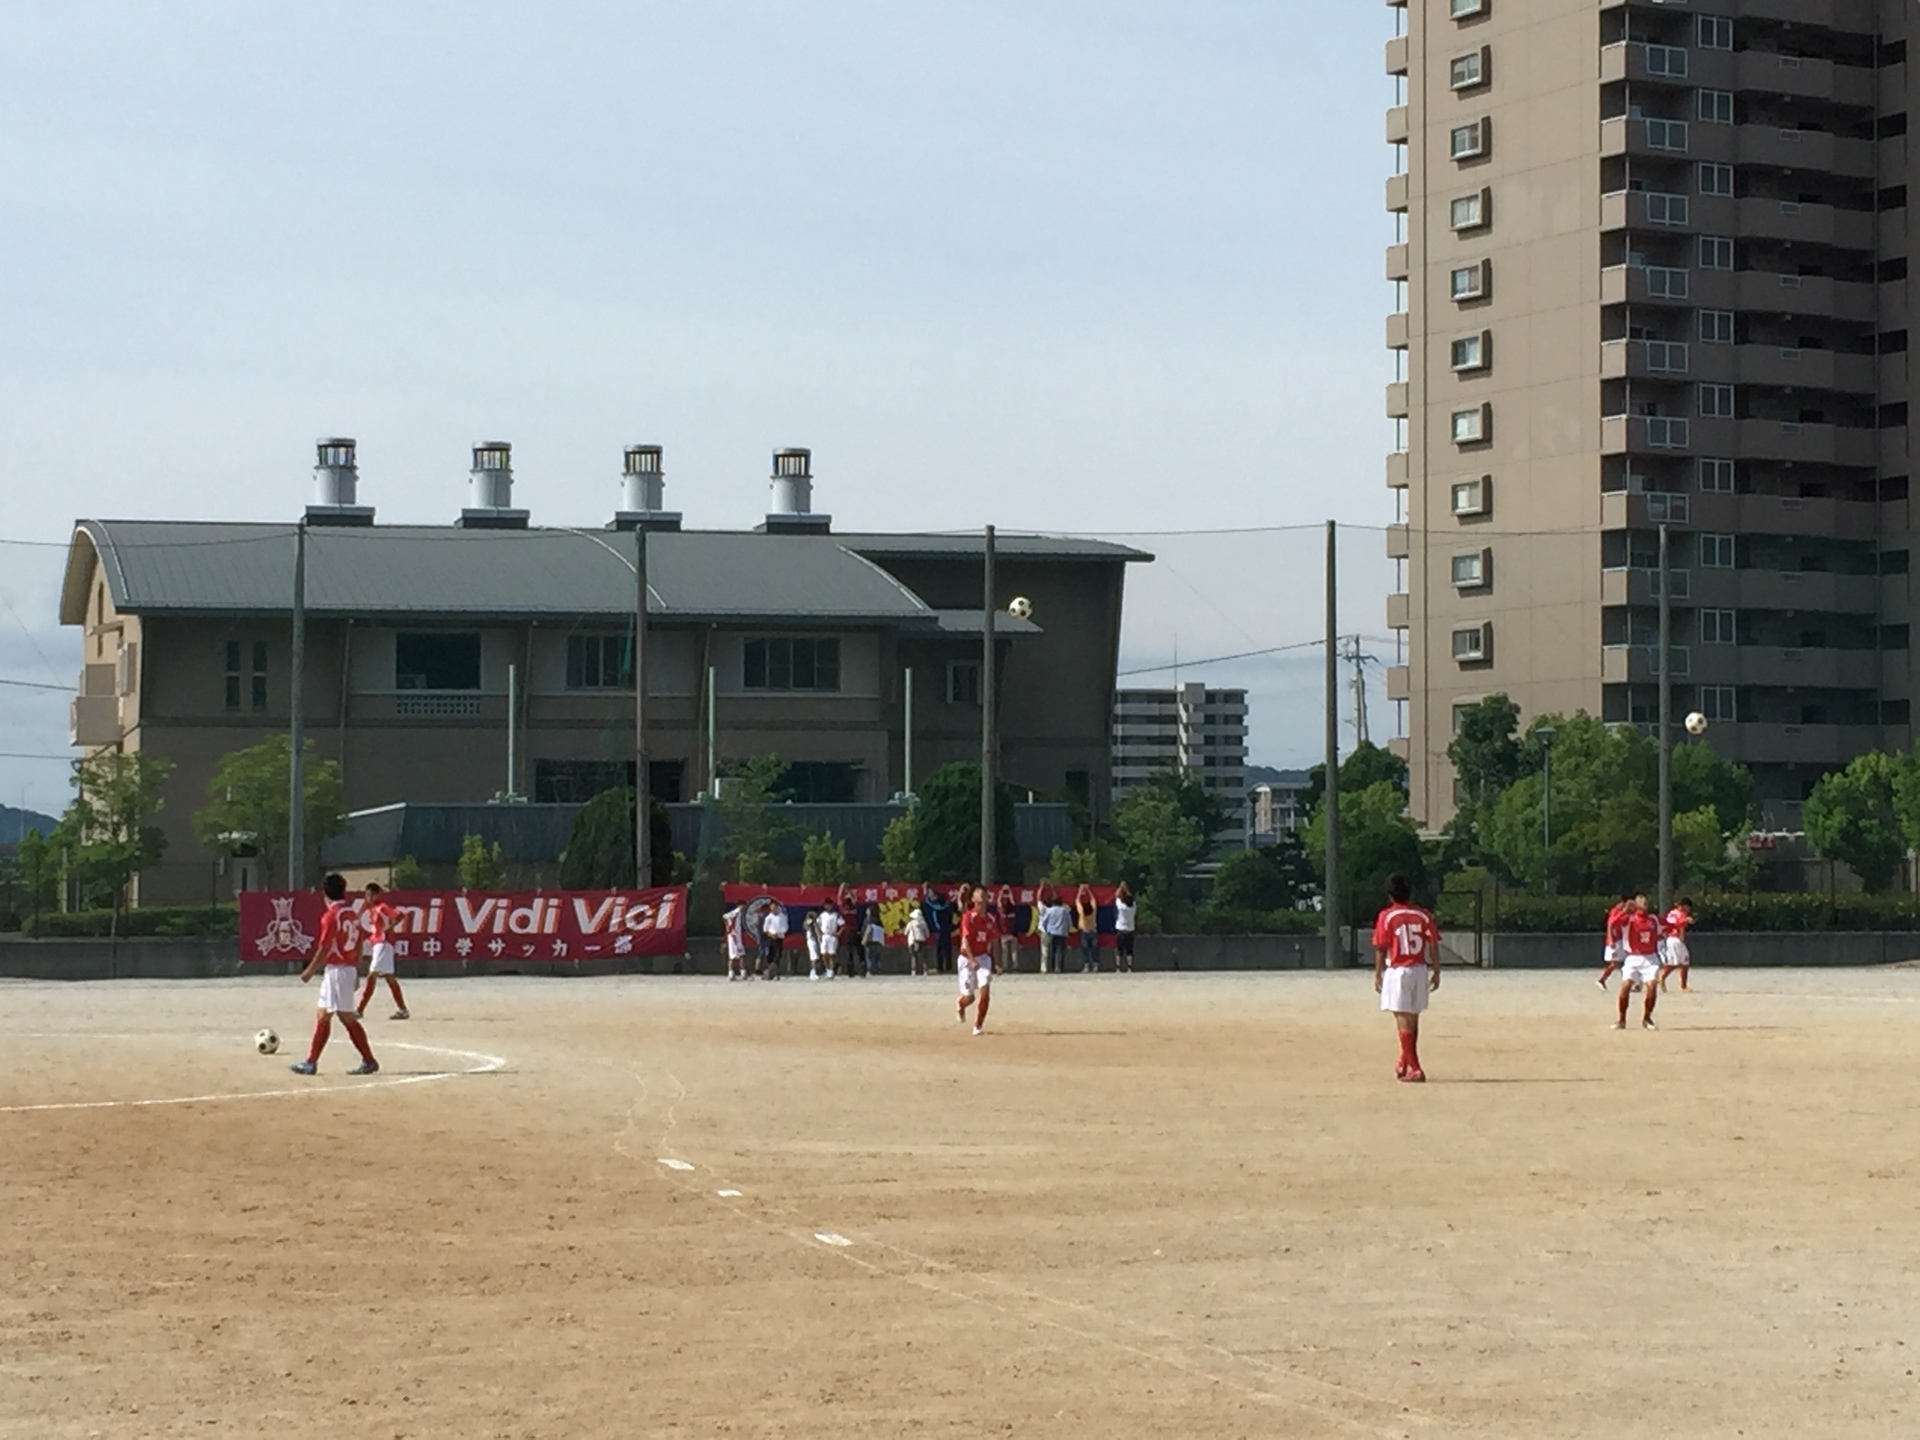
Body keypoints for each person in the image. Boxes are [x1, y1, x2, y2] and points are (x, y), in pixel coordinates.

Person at [291, 873, 380, 1076]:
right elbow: (358, 943)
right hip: (345, 969)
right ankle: (312, 1061)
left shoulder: (331, 916)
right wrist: (356, 970)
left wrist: (309, 971)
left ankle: (365, 1059)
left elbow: (324, 947)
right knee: (326, 1013)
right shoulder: (352, 913)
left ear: (325, 894)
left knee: (342, 1017)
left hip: (337, 970)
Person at [1372, 873, 1441, 1083]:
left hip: (1398, 970)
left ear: (1390, 895)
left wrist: (1377, 973)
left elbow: (1381, 948)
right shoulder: (1423, 915)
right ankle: (1404, 1060)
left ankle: (1416, 1068)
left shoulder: (1387, 916)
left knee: (1401, 1017)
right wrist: (1436, 970)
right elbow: (1433, 943)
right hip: (1419, 968)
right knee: (1412, 1016)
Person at [355, 882, 409, 1020]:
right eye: (367, 895)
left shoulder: (381, 907)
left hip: (383, 943)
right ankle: (402, 1009)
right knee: (389, 977)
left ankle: (360, 1009)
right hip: (380, 944)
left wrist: (388, 928)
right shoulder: (372, 909)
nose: (369, 897)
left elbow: (400, 915)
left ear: (377, 895)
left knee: (372, 975)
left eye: (372, 894)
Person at [1615, 893, 1664, 1031]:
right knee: (1625, 987)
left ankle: (1647, 1018)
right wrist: (1624, 910)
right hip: (1633, 958)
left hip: (1650, 958)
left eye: (1645, 901)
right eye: (1640, 901)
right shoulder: (1629, 920)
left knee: (1651, 987)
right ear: (1635, 905)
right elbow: (1613, 922)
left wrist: (1681, 922)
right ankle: (1621, 1019)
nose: (1644, 902)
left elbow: (1669, 924)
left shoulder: (1653, 919)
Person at [956, 885, 1000, 1036]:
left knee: (985, 988)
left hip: (983, 957)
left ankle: (978, 1025)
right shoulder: (968, 918)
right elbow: (966, 940)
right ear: (974, 900)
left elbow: (994, 942)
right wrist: (972, 959)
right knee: (969, 997)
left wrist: (996, 962)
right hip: (966, 959)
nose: (982, 901)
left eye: (984, 897)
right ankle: (961, 1005)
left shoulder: (990, 920)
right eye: (979, 898)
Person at [1597, 891, 1632, 989]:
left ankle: (1628, 982)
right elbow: (1611, 924)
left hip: (1620, 939)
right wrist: (1611, 939)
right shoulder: (1617, 911)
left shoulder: (1626, 911)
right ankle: (1602, 980)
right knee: (1615, 963)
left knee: (1624, 962)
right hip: (1615, 940)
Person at [1660, 897, 1694, 992]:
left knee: (1683, 963)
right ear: (1685, 906)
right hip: (1676, 939)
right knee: (1678, 963)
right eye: (1688, 907)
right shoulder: (1682, 914)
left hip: (1670, 939)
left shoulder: (1671, 913)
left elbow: (1668, 924)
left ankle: (1683, 985)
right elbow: (1681, 926)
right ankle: (1663, 978)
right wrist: (1682, 938)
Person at [1038, 889, 1071, 974]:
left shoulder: (1049, 910)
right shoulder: (1064, 911)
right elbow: (1069, 921)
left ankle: (1053, 967)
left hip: (1051, 932)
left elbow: (1044, 921)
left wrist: (1045, 929)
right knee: (1060, 950)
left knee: (1052, 950)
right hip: (1062, 933)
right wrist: (1067, 930)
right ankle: (1059, 967)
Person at [924, 887, 956, 972]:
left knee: (940, 950)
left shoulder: (933, 907)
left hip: (939, 931)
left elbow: (926, 903)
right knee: (947, 949)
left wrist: (925, 893)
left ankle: (940, 967)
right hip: (946, 930)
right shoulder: (948, 906)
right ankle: (948, 967)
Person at [993, 885, 1021, 975]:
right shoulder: (1013, 910)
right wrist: (1009, 891)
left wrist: (1002, 892)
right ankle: (1015, 967)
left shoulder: (1001, 911)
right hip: (1013, 934)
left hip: (1004, 934)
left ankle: (1005, 967)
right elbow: (1013, 901)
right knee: (1014, 952)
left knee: (1005, 952)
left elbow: (999, 902)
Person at [1074, 884, 1101, 973]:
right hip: (1092, 932)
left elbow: (1077, 900)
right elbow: (1093, 900)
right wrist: (1089, 890)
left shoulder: (1082, 912)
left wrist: (1080, 891)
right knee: (1093, 949)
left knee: (1086, 949)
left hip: (1085, 932)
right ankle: (1094, 965)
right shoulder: (1093, 911)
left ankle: (1088, 965)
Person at [760, 903, 789, 979]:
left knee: (778, 956)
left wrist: (780, 933)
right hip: (771, 939)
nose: (774, 909)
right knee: (770, 956)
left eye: (775, 907)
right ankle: (769, 973)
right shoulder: (768, 918)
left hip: (779, 938)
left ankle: (775, 973)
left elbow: (785, 927)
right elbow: (765, 929)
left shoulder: (782, 916)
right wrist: (771, 935)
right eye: (772, 907)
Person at [1112, 882, 1137, 973]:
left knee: (1119, 950)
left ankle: (1118, 967)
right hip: (1130, 929)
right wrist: (1127, 890)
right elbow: (1131, 899)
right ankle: (1129, 967)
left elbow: (1116, 896)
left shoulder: (1121, 907)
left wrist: (1121, 888)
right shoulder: (1133, 906)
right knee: (1129, 950)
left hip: (1121, 930)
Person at [816, 900, 843, 980]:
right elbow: (817, 924)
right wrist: (819, 934)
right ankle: (827, 969)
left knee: (831, 955)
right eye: (827, 905)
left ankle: (831, 971)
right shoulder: (822, 915)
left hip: (832, 936)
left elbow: (842, 924)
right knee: (824, 954)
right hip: (824, 935)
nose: (828, 907)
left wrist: (838, 933)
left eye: (830, 905)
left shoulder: (836, 915)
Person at [722, 900, 748, 981]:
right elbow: (725, 917)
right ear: (741, 905)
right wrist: (730, 928)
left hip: (737, 936)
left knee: (739, 955)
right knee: (736, 955)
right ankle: (735, 974)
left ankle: (738, 973)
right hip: (734, 937)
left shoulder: (740, 914)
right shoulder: (736, 912)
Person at [905, 902, 931, 976]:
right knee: (924, 957)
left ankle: (914, 971)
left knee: (913, 956)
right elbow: (927, 933)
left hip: (912, 941)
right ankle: (925, 971)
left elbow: (905, 932)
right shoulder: (923, 923)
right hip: (922, 941)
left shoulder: (911, 923)